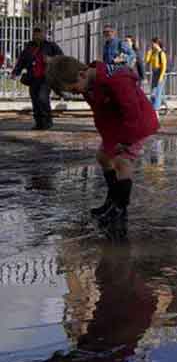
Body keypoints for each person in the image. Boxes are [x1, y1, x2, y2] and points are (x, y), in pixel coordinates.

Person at [46, 56, 159, 233]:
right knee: (103, 157)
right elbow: (101, 115)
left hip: (138, 123)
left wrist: (124, 142)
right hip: (117, 124)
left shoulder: (116, 81)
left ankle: (120, 209)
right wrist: (108, 141)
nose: (75, 93)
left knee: (122, 161)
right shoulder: (88, 85)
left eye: (74, 89)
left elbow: (132, 113)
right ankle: (111, 202)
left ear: (82, 74)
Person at [11, 27, 62, 130]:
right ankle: (39, 123)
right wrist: (15, 72)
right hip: (33, 78)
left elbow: (61, 58)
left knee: (42, 98)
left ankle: (48, 121)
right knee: (35, 100)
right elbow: (22, 60)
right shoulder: (29, 46)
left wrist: (51, 59)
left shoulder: (51, 46)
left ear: (44, 34)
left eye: (40, 33)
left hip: (46, 78)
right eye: (35, 33)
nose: (37, 35)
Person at [144, 37, 167, 114]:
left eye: (153, 43)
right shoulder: (154, 53)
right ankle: (162, 105)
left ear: (157, 44)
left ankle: (155, 110)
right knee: (153, 92)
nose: (151, 44)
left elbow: (164, 66)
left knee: (157, 93)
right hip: (154, 73)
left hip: (160, 73)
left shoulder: (161, 53)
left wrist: (160, 77)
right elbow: (147, 61)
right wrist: (149, 52)